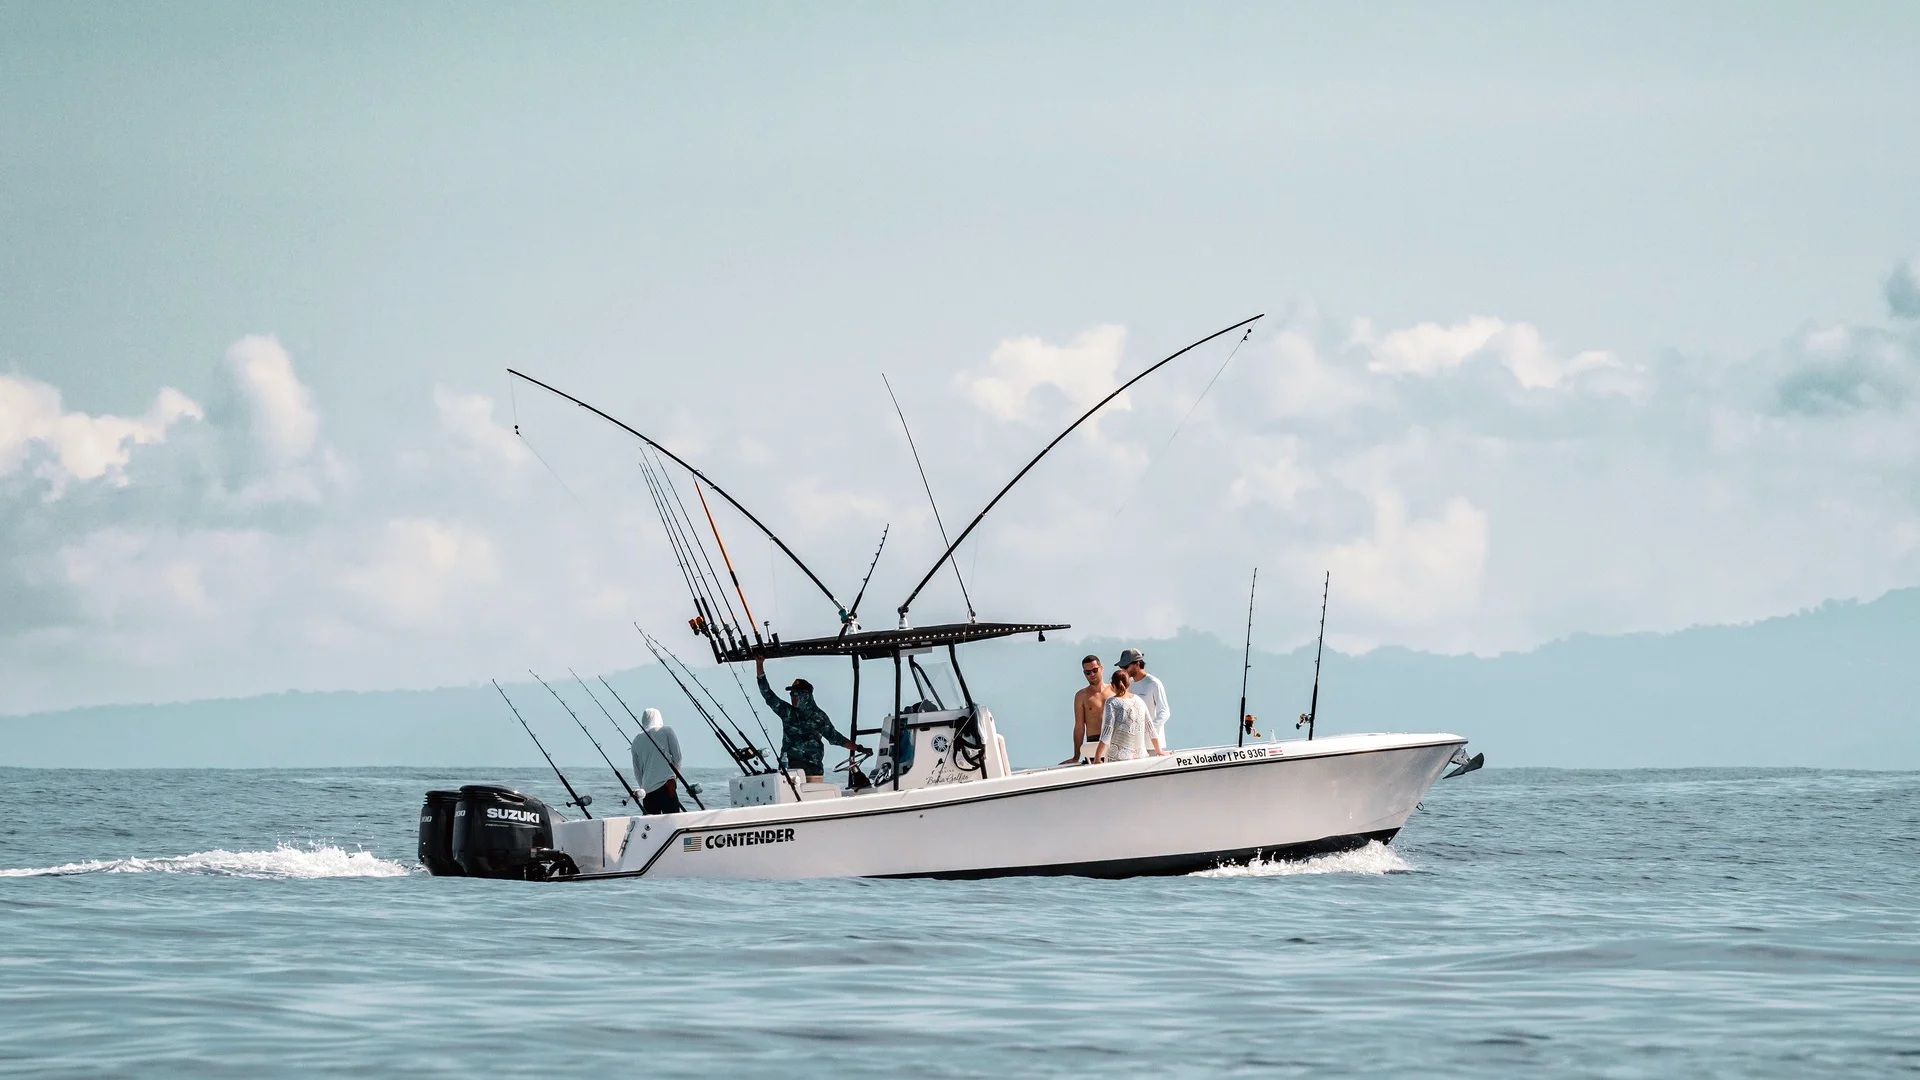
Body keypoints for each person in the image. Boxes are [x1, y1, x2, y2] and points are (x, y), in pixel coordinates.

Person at [756, 656, 860, 783]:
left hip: (813, 771)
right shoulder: (787, 712)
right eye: (791, 694)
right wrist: (759, 665)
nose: (792, 697)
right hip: (790, 770)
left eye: (796, 694)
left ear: (807, 695)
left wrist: (859, 748)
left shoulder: (820, 717)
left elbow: (836, 738)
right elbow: (767, 694)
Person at [629, 707, 686, 814]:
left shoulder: (636, 740)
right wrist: (674, 778)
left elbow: (637, 771)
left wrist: (643, 788)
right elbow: (677, 757)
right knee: (672, 820)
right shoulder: (667, 731)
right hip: (667, 785)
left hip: (647, 791)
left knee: (651, 822)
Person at [1115, 647, 1169, 755]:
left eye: (1126, 666)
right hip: (1133, 746)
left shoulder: (1153, 683)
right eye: (1121, 667)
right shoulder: (1128, 684)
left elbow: (1164, 712)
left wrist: (1148, 729)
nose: (1123, 670)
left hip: (1152, 746)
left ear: (1137, 664)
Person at [1061, 654, 1113, 764]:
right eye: (1088, 672)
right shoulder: (1081, 696)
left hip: (1116, 741)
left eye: (1095, 670)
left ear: (1101, 668)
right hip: (1093, 744)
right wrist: (1076, 756)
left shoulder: (1114, 690)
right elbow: (1079, 727)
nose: (1092, 674)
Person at [1095, 668, 1151, 763]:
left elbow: (1107, 732)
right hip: (1141, 756)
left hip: (1118, 757)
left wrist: (1097, 757)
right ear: (1129, 684)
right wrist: (1159, 751)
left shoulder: (1112, 702)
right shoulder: (1139, 700)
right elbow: (1150, 728)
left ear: (1112, 685)